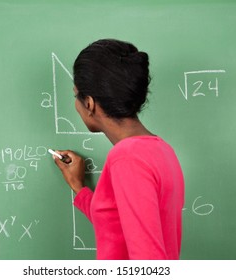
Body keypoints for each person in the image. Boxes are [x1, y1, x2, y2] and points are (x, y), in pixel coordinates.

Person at [52, 39, 185, 260]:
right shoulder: (161, 150)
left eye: (76, 95)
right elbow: (120, 227)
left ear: (90, 103)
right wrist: (79, 188)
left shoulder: (127, 157)